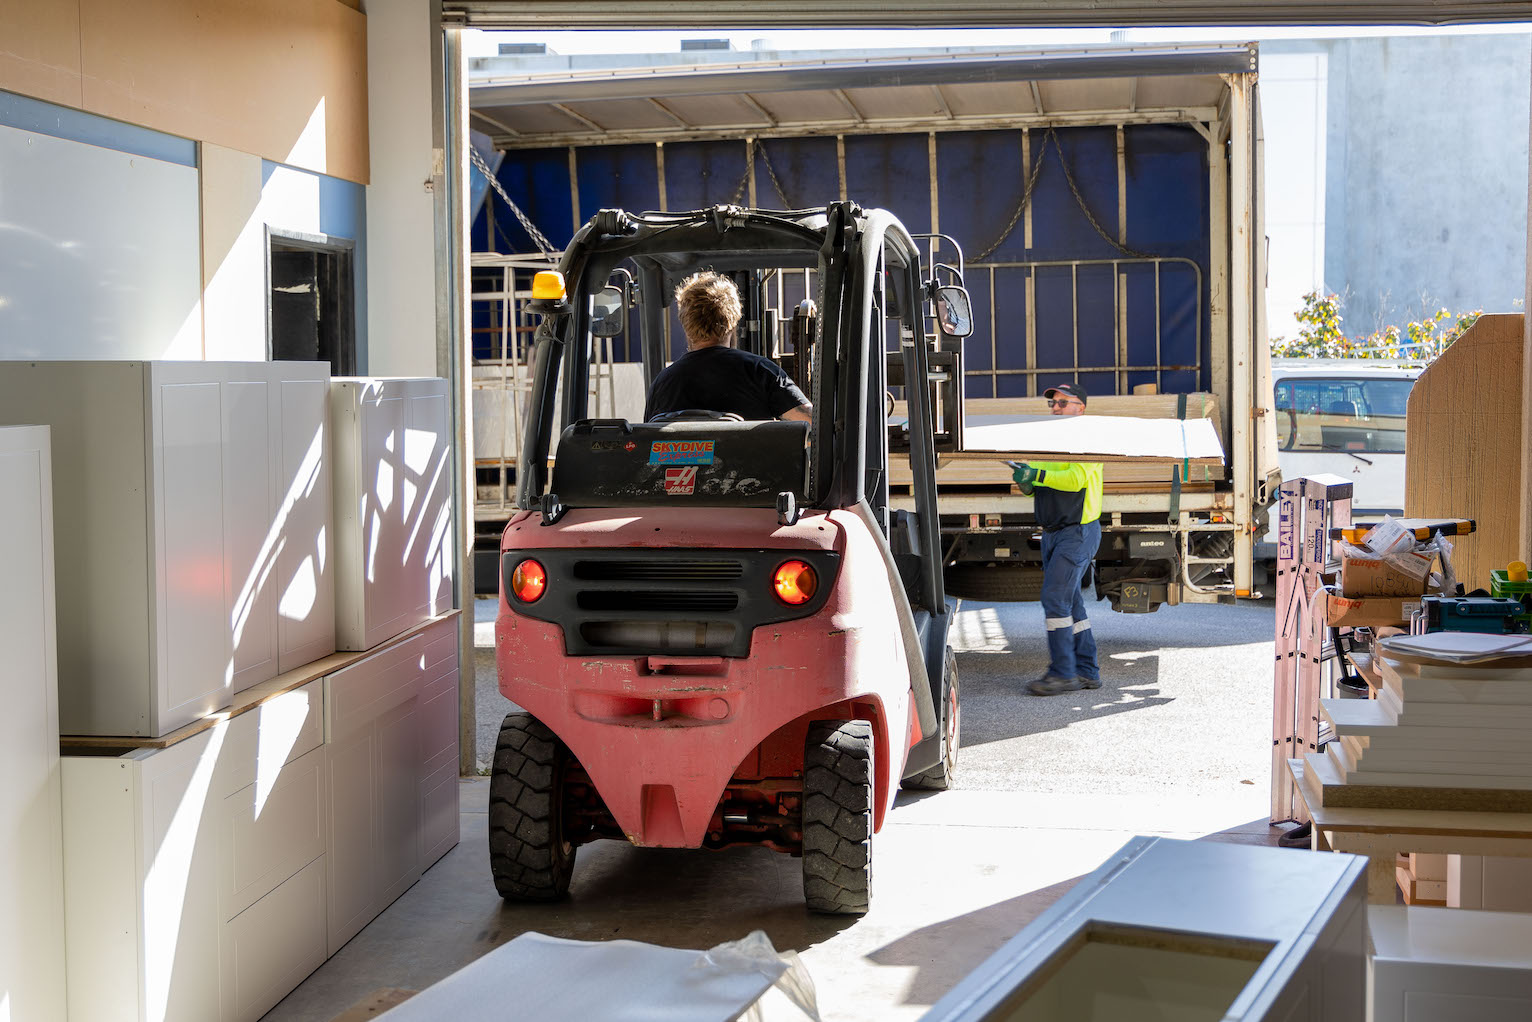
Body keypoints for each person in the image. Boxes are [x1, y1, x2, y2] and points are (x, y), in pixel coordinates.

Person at [1011, 382, 1103, 696]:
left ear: (1082, 407)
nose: (1056, 408)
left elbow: (1075, 479)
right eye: (1053, 403)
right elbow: (1040, 479)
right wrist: (1027, 480)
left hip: (1076, 533)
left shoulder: (1088, 439)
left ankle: (1064, 673)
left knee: (1055, 599)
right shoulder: (1051, 441)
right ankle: (1087, 671)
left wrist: (1036, 476)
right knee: (1071, 603)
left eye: (1063, 403)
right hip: (1054, 535)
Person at [644, 271, 813, 422]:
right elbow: (811, 421)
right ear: (733, 322)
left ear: (685, 324)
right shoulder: (760, 371)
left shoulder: (663, 383)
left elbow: (648, 442)